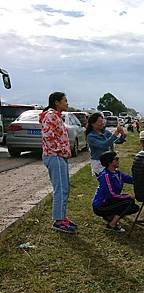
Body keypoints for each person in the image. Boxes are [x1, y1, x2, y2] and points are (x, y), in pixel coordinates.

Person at [39, 92, 77, 234]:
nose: (67, 103)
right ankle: (58, 221)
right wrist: (61, 151)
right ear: (57, 102)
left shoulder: (56, 116)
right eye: (65, 101)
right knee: (60, 189)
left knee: (64, 188)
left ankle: (62, 217)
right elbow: (48, 136)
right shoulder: (50, 116)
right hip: (54, 156)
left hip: (58, 156)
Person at [92, 151, 140, 232]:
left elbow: (132, 180)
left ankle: (109, 216)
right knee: (128, 202)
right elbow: (110, 194)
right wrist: (128, 196)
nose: (118, 160)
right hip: (100, 206)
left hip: (110, 201)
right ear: (109, 162)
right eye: (116, 159)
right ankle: (112, 224)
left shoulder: (118, 173)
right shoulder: (105, 176)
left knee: (134, 208)